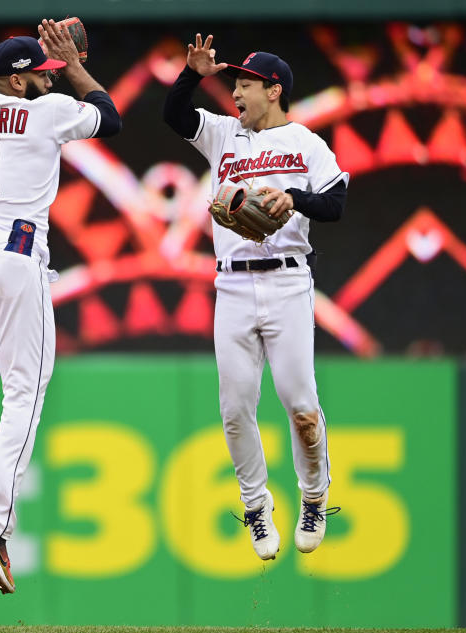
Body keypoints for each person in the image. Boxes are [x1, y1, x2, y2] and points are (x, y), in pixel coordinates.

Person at [0, 20, 122, 594]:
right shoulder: (45, 111)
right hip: (16, 253)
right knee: (25, 390)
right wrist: (73, 69)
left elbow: (18, 113)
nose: (48, 81)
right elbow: (109, 117)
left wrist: (50, 71)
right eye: (39, 75)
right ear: (17, 82)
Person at [163, 35, 347, 560]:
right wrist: (191, 75)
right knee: (235, 408)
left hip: (288, 281)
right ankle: (255, 503)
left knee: (301, 406)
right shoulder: (224, 135)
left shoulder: (306, 143)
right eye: (234, 85)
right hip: (233, 284)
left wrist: (295, 198)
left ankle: (313, 495)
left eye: (244, 85)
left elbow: (335, 203)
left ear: (274, 89)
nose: (236, 95)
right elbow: (174, 114)